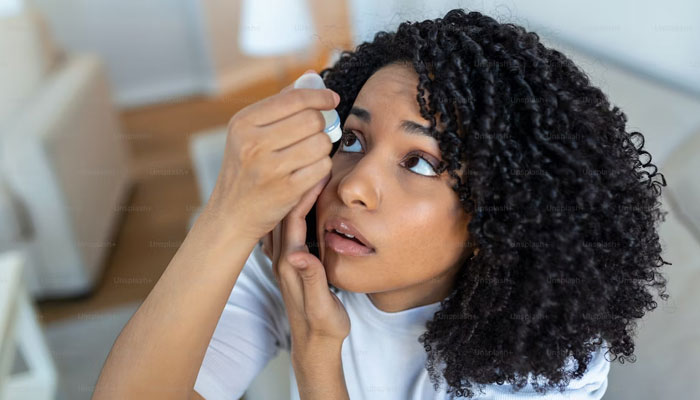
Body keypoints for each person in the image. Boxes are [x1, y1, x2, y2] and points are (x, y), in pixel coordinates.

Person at [93, 8, 669, 400]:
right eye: (352, 141)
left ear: (502, 212)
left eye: (419, 161)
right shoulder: (297, 255)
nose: (352, 186)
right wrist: (226, 216)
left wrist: (317, 353)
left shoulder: (542, 355)